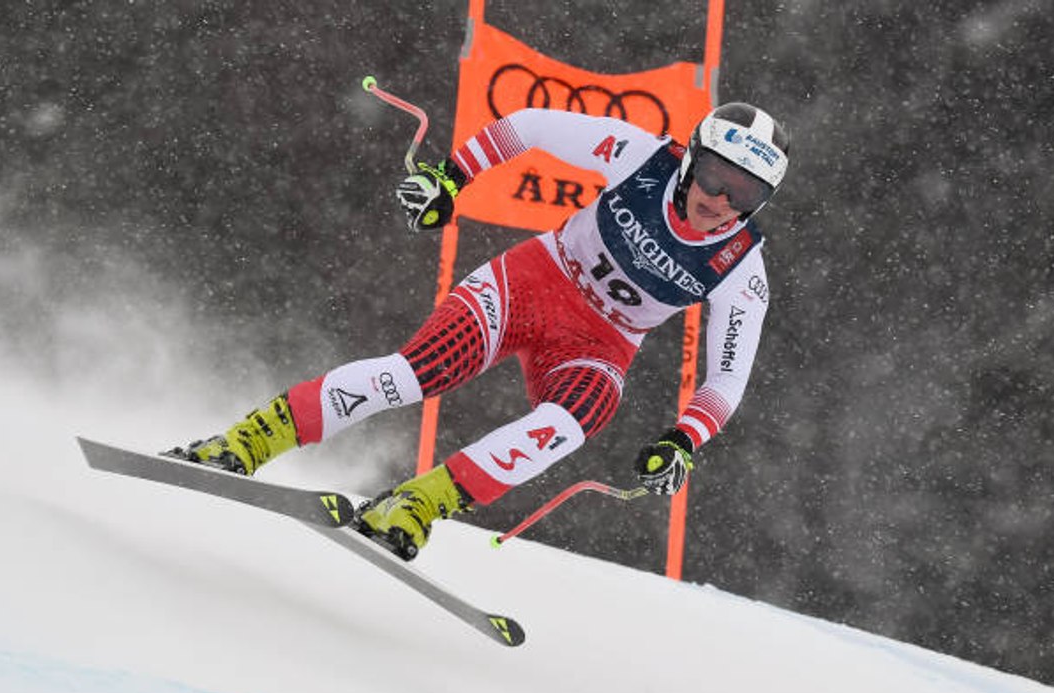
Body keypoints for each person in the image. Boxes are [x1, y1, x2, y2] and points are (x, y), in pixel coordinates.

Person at [170, 102, 790, 559]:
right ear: (691, 157)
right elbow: (531, 127)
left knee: (575, 421)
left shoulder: (741, 267)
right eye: (715, 175)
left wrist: (684, 439)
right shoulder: (642, 158)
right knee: (415, 374)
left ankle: (416, 504)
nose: (720, 200)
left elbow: (727, 377)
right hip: (532, 284)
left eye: (744, 192)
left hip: (598, 345)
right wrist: (451, 178)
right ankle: (245, 443)